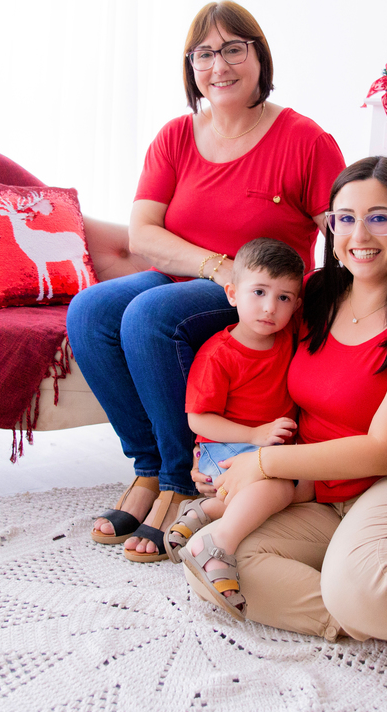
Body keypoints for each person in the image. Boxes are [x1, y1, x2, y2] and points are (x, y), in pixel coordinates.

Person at [65, 0, 345, 562]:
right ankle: (148, 468)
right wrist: (218, 267)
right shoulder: (175, 136)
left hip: (260, 297)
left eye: (234, 49)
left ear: (260, 57)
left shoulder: (304, 140)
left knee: (150, 316)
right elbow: (143, 232)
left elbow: (342, 234)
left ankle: (179, 483)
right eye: (204, 54)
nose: (219, 66)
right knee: (90, 311)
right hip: (191, 279)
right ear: (190, 66)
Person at [185, 156, 387, 651]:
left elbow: (384, 451)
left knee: (361, 584)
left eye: (379, 217)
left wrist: (262, 463)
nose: (360, 234)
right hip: (322, 488)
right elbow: (256, 363)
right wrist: (221, 454)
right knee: (218, 561)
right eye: (345, 218)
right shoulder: (316, 296)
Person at [162, 238, 314, 621]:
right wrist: (254, 435)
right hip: (225, 448)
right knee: (280, 487)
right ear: (232, 293)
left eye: (283, 298)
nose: (269, 307)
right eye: (258, 292)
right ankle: (216, 545)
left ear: (296, 305)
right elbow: (198, 420)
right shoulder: (219, 354)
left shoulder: (290, 339)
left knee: (305, 490)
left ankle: (209, 509)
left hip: (264, 451)